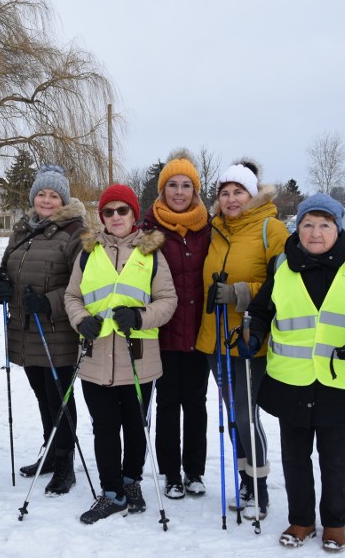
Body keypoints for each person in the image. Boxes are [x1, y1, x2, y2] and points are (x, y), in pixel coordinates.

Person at [242, 194, 345, 551]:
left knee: (337, 459)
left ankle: (335, 524)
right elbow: (262, 309)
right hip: (290, 380)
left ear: (337, 227)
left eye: (324, 224)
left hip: (339, 383)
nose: (315, 232)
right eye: (308, 224)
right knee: (296, 458)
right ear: (298, 226)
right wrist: (253, 333)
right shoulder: (282, 264)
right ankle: (301, 520)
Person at [64, 183, 177, 524]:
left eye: (122, 210)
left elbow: (167, 300)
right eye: (109, 211)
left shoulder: (151, 254)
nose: (115, 217)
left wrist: (140, 316)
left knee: (135, 426)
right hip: (96, 356)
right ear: (102, 216)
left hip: (137, 356)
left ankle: (131, 482)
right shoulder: (88, 252)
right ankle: (111, 492)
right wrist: (81, 320)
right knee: (104, 428)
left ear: (133, 214)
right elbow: (72, 296)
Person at [194, 160, 288, 514]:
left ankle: (260, 489)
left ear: (252, 194)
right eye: (225, 193)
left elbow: (286, 282)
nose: (231, 199)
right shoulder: (216, 229)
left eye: (239, 192)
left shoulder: (271, 228)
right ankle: (245, 484)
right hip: (215, 339)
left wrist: (239, 293)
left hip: (249, 337)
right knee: (234, 416)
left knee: (247, 416)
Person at [0, 164, 86, 495]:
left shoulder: (75, 233)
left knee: (59, 397)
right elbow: (5, 269)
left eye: (54, 195)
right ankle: (50, 452)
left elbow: (84, 284)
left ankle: (65, 463)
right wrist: (0, 285)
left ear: (63, 199)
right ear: (34, 197)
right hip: (24, 328)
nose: (46, 200)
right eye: (41, 194)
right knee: (41, 394)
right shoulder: (22, 230)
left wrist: (49, 301)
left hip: (56, 330)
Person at [138, 156, 211, 500]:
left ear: (196, 190)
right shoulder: (148, 229)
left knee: (196, 403)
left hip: (199, 331)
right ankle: (171, 473)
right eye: (172, 185)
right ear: (162, 189)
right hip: (163, 332)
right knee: (168, 404)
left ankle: (195, 470)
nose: (179, 192)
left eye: (186, 185)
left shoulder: (209, 227)